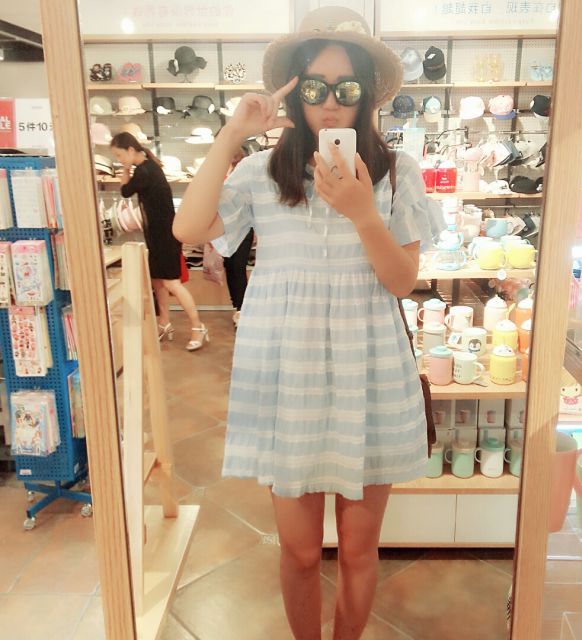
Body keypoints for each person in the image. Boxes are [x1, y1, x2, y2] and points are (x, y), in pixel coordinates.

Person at [174, 6, 443, 639]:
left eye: (346, 88)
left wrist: (362, 212)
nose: (329, 103)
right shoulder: (261, 172)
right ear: (294, 92)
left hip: (369, 368)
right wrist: (232, 133)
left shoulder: (397, 172)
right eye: (315, 86)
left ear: (366, 94)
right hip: (286, 372)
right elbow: (187, 228)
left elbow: (401, 281)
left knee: (358, 551)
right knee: (298, 552)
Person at [110, 132, 208, 351]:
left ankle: (198, 327)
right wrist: (127, 167)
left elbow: (125, 191)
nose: (119, 160)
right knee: (157, 281)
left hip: (165, 236)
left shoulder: (144, 171)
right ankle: (164, 323)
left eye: (119, 155)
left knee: (171, 283)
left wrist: (125, 170)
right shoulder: (147, 167)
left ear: (131, 150)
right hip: (157, 235)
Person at [224, 145, 255, 327]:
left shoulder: (244, 171)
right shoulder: (224, 170)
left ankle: (243, 309)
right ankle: (237, 306)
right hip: (226, 228)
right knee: (229, 266)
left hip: (244, 227)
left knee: (238, 267)